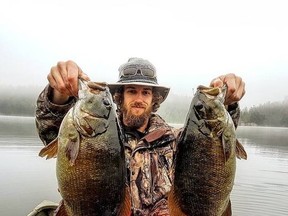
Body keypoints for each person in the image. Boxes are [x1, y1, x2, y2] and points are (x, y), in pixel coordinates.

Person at [35, 57, 245, 215]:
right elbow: (52, 131)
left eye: (146, 92)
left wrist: (228, 103)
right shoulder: (97, 135)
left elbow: (211, 144)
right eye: (132, 91)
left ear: (154, 99)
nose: (139, 98)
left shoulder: (176, 140)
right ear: (119, 97)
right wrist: (59, 94)